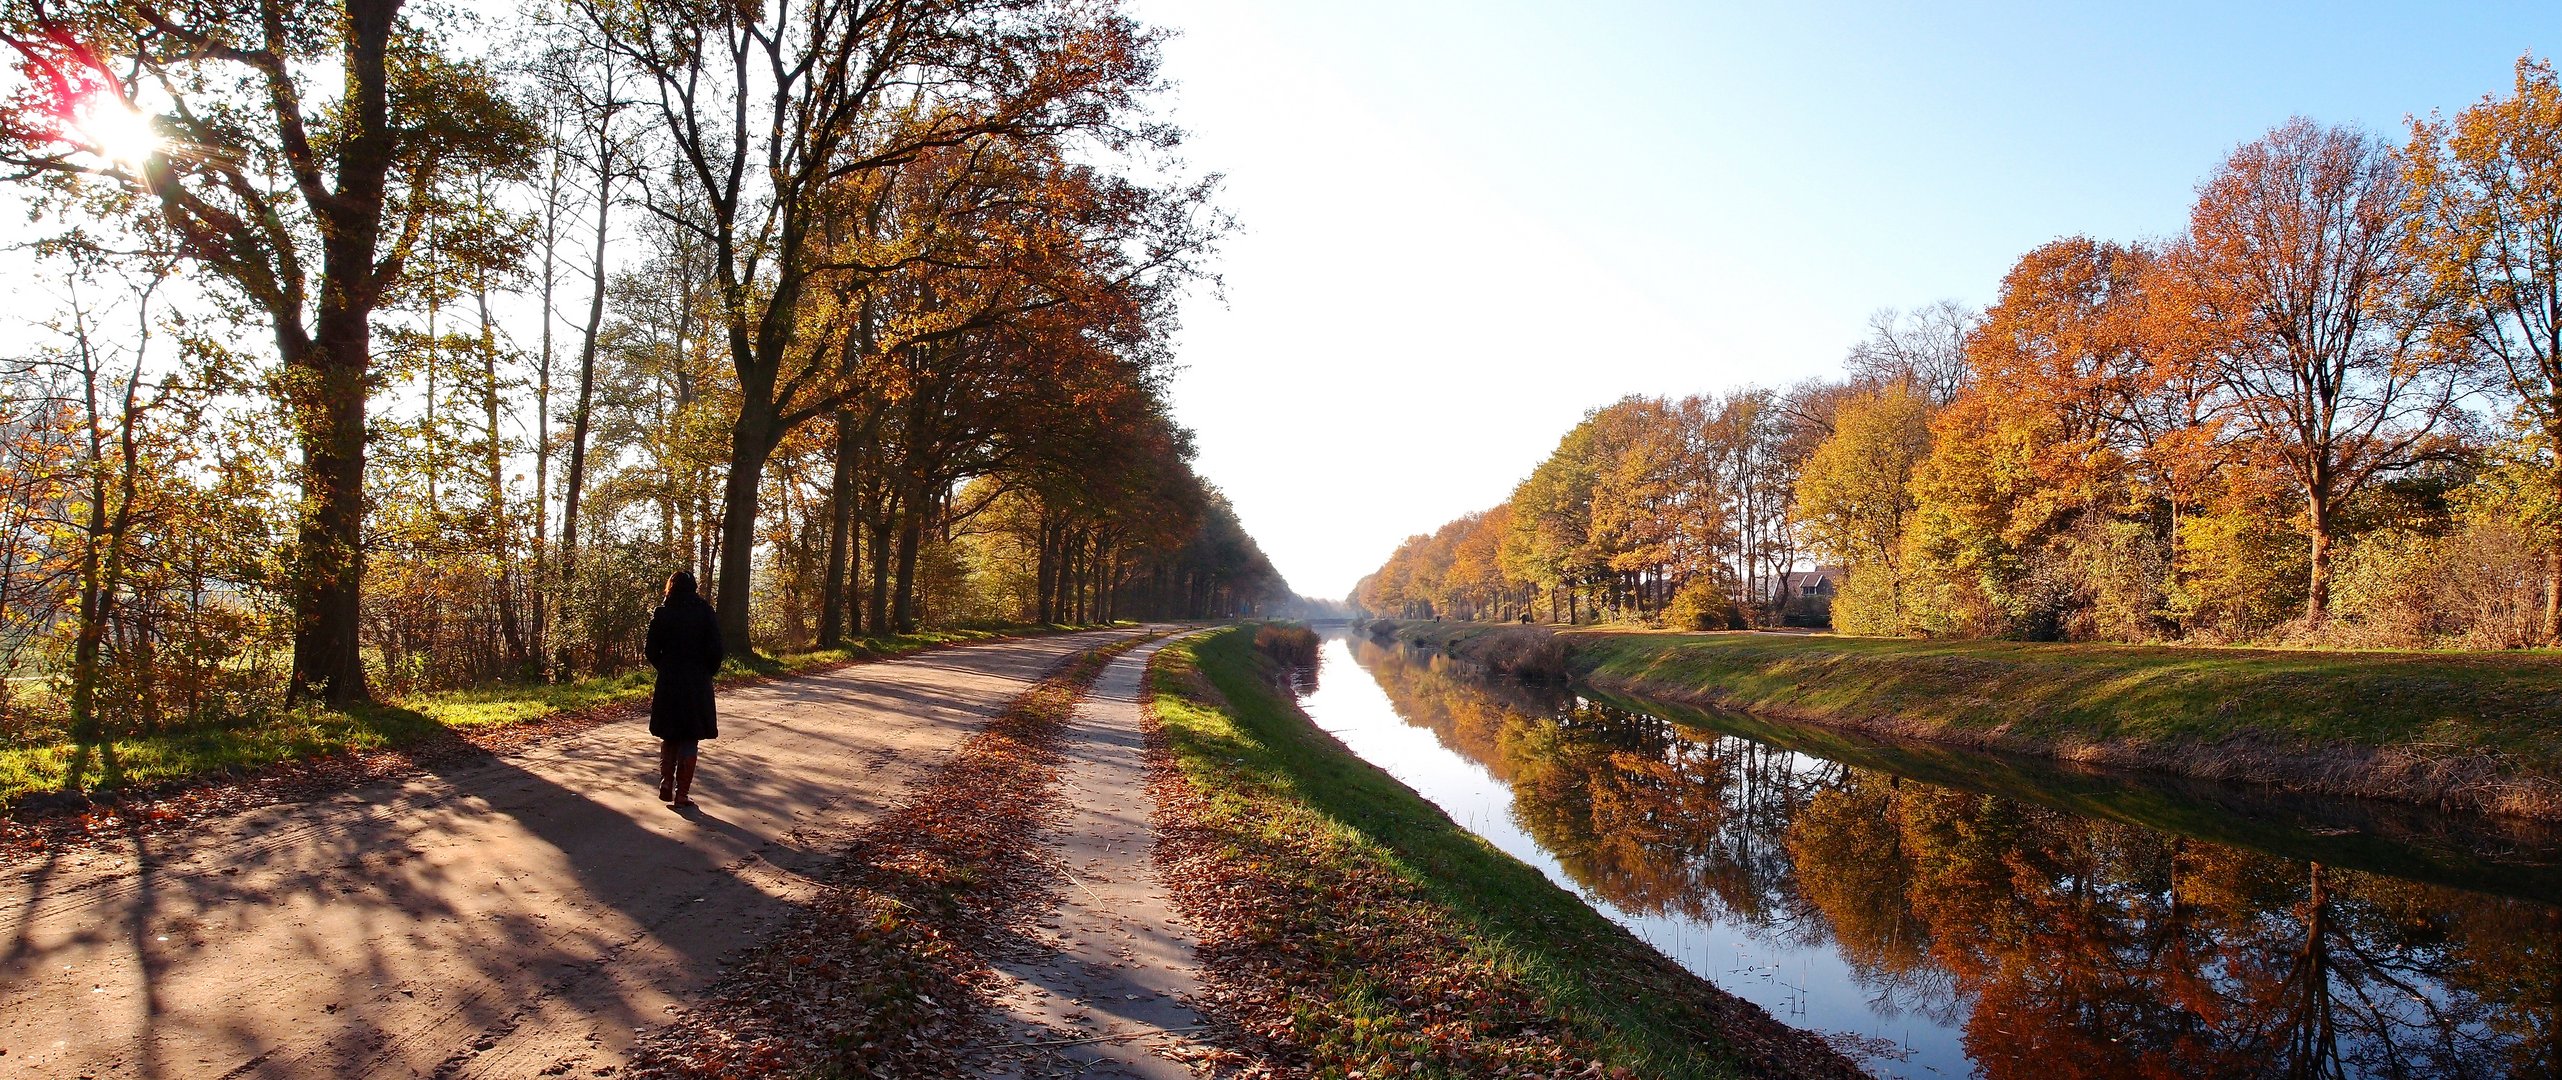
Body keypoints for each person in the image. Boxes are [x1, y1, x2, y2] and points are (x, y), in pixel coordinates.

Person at [646, 570, 725, 809]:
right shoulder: (704, 612)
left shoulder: (662, 613)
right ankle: (682, 795)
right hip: (696, 682)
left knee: (669, 734)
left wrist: (665, 667)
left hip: (669, 681)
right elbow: (716, 649)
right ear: (694, 588)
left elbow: (650, 650)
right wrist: (705, 672)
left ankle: (666, 781)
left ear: (671, 587)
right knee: (690, 736)